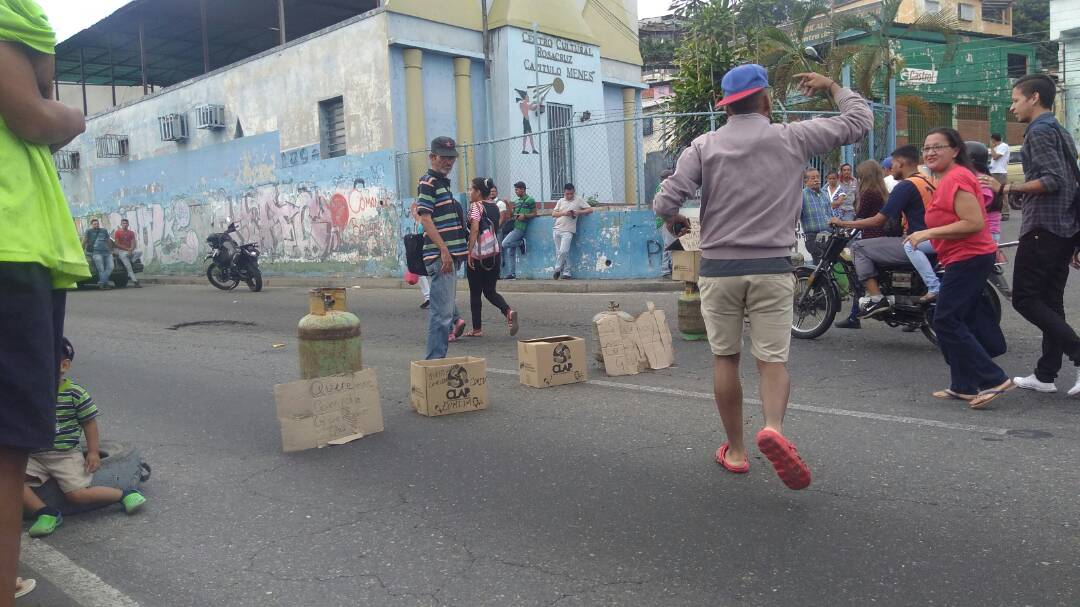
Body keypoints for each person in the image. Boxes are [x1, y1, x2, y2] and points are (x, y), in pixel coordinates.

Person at [653, 65, 872, 490]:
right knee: (772, 360)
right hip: (772, 267)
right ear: (766, 100)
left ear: (726, 106)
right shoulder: (793, 136)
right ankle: (772, 427)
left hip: (718, 270)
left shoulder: (704, 144)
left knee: (725, 358)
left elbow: (665, 199)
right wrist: (831, 86)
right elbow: (859, 122)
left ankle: (735, 451)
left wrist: (675, 218)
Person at [0, 2, 90, 602]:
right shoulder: (12, 16)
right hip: (12, 250)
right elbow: (34, 112)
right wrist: (73, 117)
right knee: (8, 446)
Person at [978, 75, 1080, 396]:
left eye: (1015, 99)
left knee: (1024, 298)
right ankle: (1046, 374)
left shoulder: (1038, 131)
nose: (1012, 106)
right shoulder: (1060, 130)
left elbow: (1053, 181)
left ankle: (1078, 353)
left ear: (1034, 98)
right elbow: (1069, 182)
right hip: (1064, 228)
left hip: (1044, 229)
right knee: (1050, 302)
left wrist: (1006, 187)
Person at [905, 128, 1011, 409]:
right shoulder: (948, 178)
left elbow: (974, 222)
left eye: (937, 147)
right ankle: (963, 385)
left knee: (945, 320)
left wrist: (927, 234)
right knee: (959, 320)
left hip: (970, 257)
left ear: (955, 150)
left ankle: (993, 378)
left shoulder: (957, 177)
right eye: (926, 148)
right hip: (961, 257)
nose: (930, 152)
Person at [22, 339, 147, 537]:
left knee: (77, 495)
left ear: (63, 365)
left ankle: (125, 495)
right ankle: (46, 512)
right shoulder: (30, 393)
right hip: (34, 455)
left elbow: (89, 423)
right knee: (9, 480)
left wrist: (94, 452)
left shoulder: (75, 394)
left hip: (64, 455)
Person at [831, 145, 938, 317]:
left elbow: (879, 219)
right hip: (932, 238)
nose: (889, 168)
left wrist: (843, 223)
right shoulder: (927, 181)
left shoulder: (906, 186)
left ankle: (876, 298)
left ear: (901, 163)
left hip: (917, 241)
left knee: (858, 247)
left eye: (893, 164)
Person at [828, 160, 901, 329]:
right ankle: (857, 314)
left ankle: (862, 310)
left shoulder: (869, 192)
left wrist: (841, 224)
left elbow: (860, 217)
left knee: (859, 276)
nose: (858, 179)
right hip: (881, 236)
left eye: (860, 175)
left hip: (870, 237)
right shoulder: (882, 191)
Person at [416, 136, 468, 359]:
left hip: (448, 257)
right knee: (441, 316)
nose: (449, 162)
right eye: (444, 158)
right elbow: (425, 218)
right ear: (432, 157)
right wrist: (444, 250)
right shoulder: (429, 182)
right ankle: (433, 365)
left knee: (445, 313)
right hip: (441, 258)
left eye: (452, 158)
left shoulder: (441, 183)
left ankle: (435, 364)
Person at [463, 177, 519, 338]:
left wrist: (469, 252)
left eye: (471, 189)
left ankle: (477, 329)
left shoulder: (476, 206)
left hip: (478, 255)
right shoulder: (494, 206)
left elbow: (474, 230)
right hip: (494, 254)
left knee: (475, 292)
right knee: (489, 291)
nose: (469, 192)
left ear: (478, 192)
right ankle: (508, 311)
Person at [551, 183, 594, 279]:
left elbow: (590, 209)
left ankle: (557, 269)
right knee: (560, 252)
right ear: (564, 193)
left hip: (568, 230)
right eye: (567, 194)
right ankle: (567, 272)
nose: (569, 196)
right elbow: (553, 214)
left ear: (574, 192)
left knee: (563, 251)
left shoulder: (578, 200)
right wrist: (564, 213)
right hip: (557, 228)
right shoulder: (561, 201)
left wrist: (579, 212)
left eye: (571, 193)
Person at [500, 181, 536, 280]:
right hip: (514, 226)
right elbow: (512, 215)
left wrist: (525, 216)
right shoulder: (517, 201)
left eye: (517, 189)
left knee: (504, 244)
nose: (515, 191)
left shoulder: (530, 200)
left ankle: (520, 243)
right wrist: (508, 205)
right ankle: (512, 274)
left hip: (520, 227)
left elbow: (534, 213)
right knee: (510, 252)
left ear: (523, 189)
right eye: (515, 189)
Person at [799, 167, 832, 266]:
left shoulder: (824, 194)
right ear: (806, 181)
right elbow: (795, 216)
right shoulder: (802, 196)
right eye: (813, 178)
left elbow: (830, 214)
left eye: (818, 177)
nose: (816, 180)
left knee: (828, 266)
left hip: (828, 235)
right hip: (813, 237)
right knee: (819, 266)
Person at [409, 201, 431, 309]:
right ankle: (428, 297)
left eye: (413, 210)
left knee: (425, 273)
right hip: (421, 252)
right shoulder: (417, 223)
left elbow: (425, 235)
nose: (412, 213)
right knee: (423, 274)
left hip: (426, 251)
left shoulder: (422, 222)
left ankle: (429, 297)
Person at [655, 170, 676, 277]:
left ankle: (666, 270)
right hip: (665, 220)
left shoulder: (661, 187)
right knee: (670, 244)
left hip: (662, 220)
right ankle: (669, 270)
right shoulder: (664, 187)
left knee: (668, 244)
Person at [83, 218, 114, 289]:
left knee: (111, 267)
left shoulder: (104, 230)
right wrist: (81, 250)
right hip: (96, 253)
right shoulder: (89, 231)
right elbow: (84, 240)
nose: (96, 225)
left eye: (97, 224)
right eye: (95, 224)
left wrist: (111, 250)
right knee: (101, 269)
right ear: (91, 225)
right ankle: (104, 284)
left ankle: (102, 282)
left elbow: (108, 240)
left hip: (107, 252)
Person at [112, 218, 141, 288]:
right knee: (129, 268)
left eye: (126, 223)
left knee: (139, 252)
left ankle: (131, 261)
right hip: (121, 251)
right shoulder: (118, 232)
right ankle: (135, 282)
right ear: (121, 224)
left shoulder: (131, 233)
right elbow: (117, 244)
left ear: (128, 224)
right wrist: (128, 249)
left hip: (129, 251)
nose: (125, 225)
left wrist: (131, 249)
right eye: (123, 223)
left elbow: (133, 242)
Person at [989, 133, 1011, 220]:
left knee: (1002, 192)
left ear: (993, 139)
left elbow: (995, 157)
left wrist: (991, 147)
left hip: (1000, 173)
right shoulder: (997, 147)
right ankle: (998, 212)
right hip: (994, 172)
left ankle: (1005, 213)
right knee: (994, 193)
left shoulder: (1003, 146)